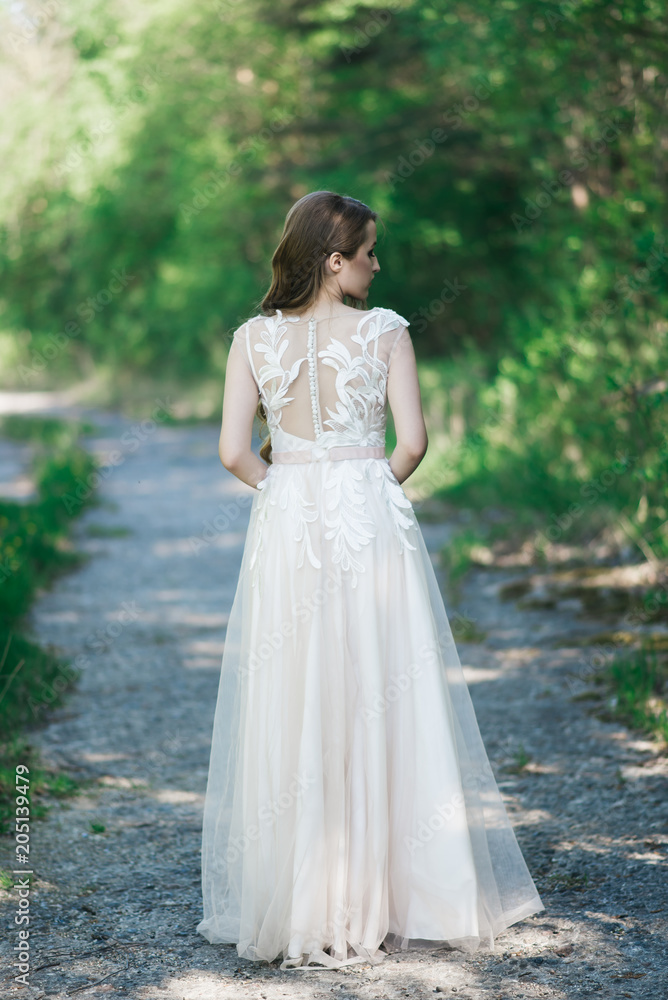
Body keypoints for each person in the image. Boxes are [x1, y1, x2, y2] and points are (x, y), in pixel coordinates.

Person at [196, 190, 543, 971]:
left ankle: (308, 894)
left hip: (289, 521)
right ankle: (403, 894)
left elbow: (231, 451)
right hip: (367, 514)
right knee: (386, 687)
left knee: (298, 689)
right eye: (368, 253)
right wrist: (367, 484)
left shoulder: (252, 339)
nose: (377, 266)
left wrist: (285, 489)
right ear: (333, 260)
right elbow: (412, 444)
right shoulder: (385, 333)